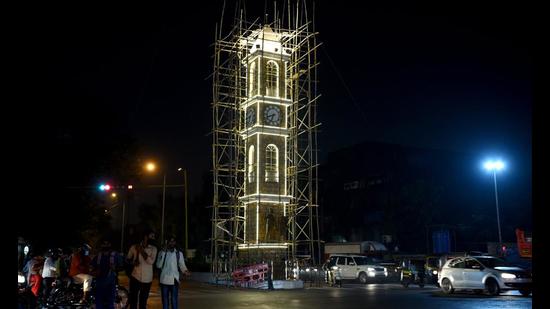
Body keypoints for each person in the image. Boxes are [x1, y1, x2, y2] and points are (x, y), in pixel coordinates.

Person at [156, 235, 190, 309]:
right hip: (164, 280)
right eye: (170, 241)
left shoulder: (178, 253)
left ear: (175, 243)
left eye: (173, 241)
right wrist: (163, 252)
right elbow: (158, 265)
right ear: (167, 242)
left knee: (174, 300)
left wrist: (185, 271)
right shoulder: (161, 253)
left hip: (174, 280)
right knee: (165, 301)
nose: (172, 243)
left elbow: (182, 265)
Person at [127, 229, 158, 309]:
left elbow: (151, 261)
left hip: (147, 279)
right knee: (133, 301)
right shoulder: (134, 247)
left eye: (154, 237)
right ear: (145, 237)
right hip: (135, 277)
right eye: (152, 236)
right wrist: (132, 262)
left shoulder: (154, 249)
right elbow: (128, 259)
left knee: (143, 302)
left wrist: (141, 251)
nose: (153, 238)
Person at [92, 240, 123, 309]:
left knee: (109, 303)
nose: (105, 246)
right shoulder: (98, 256)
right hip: (100, 283)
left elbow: (122, 266)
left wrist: (115, 268)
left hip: (110, 284)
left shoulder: (115, 255)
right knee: (100, 304)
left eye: (107, 244)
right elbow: (92, 267)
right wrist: (94, 272)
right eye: (104, 244)